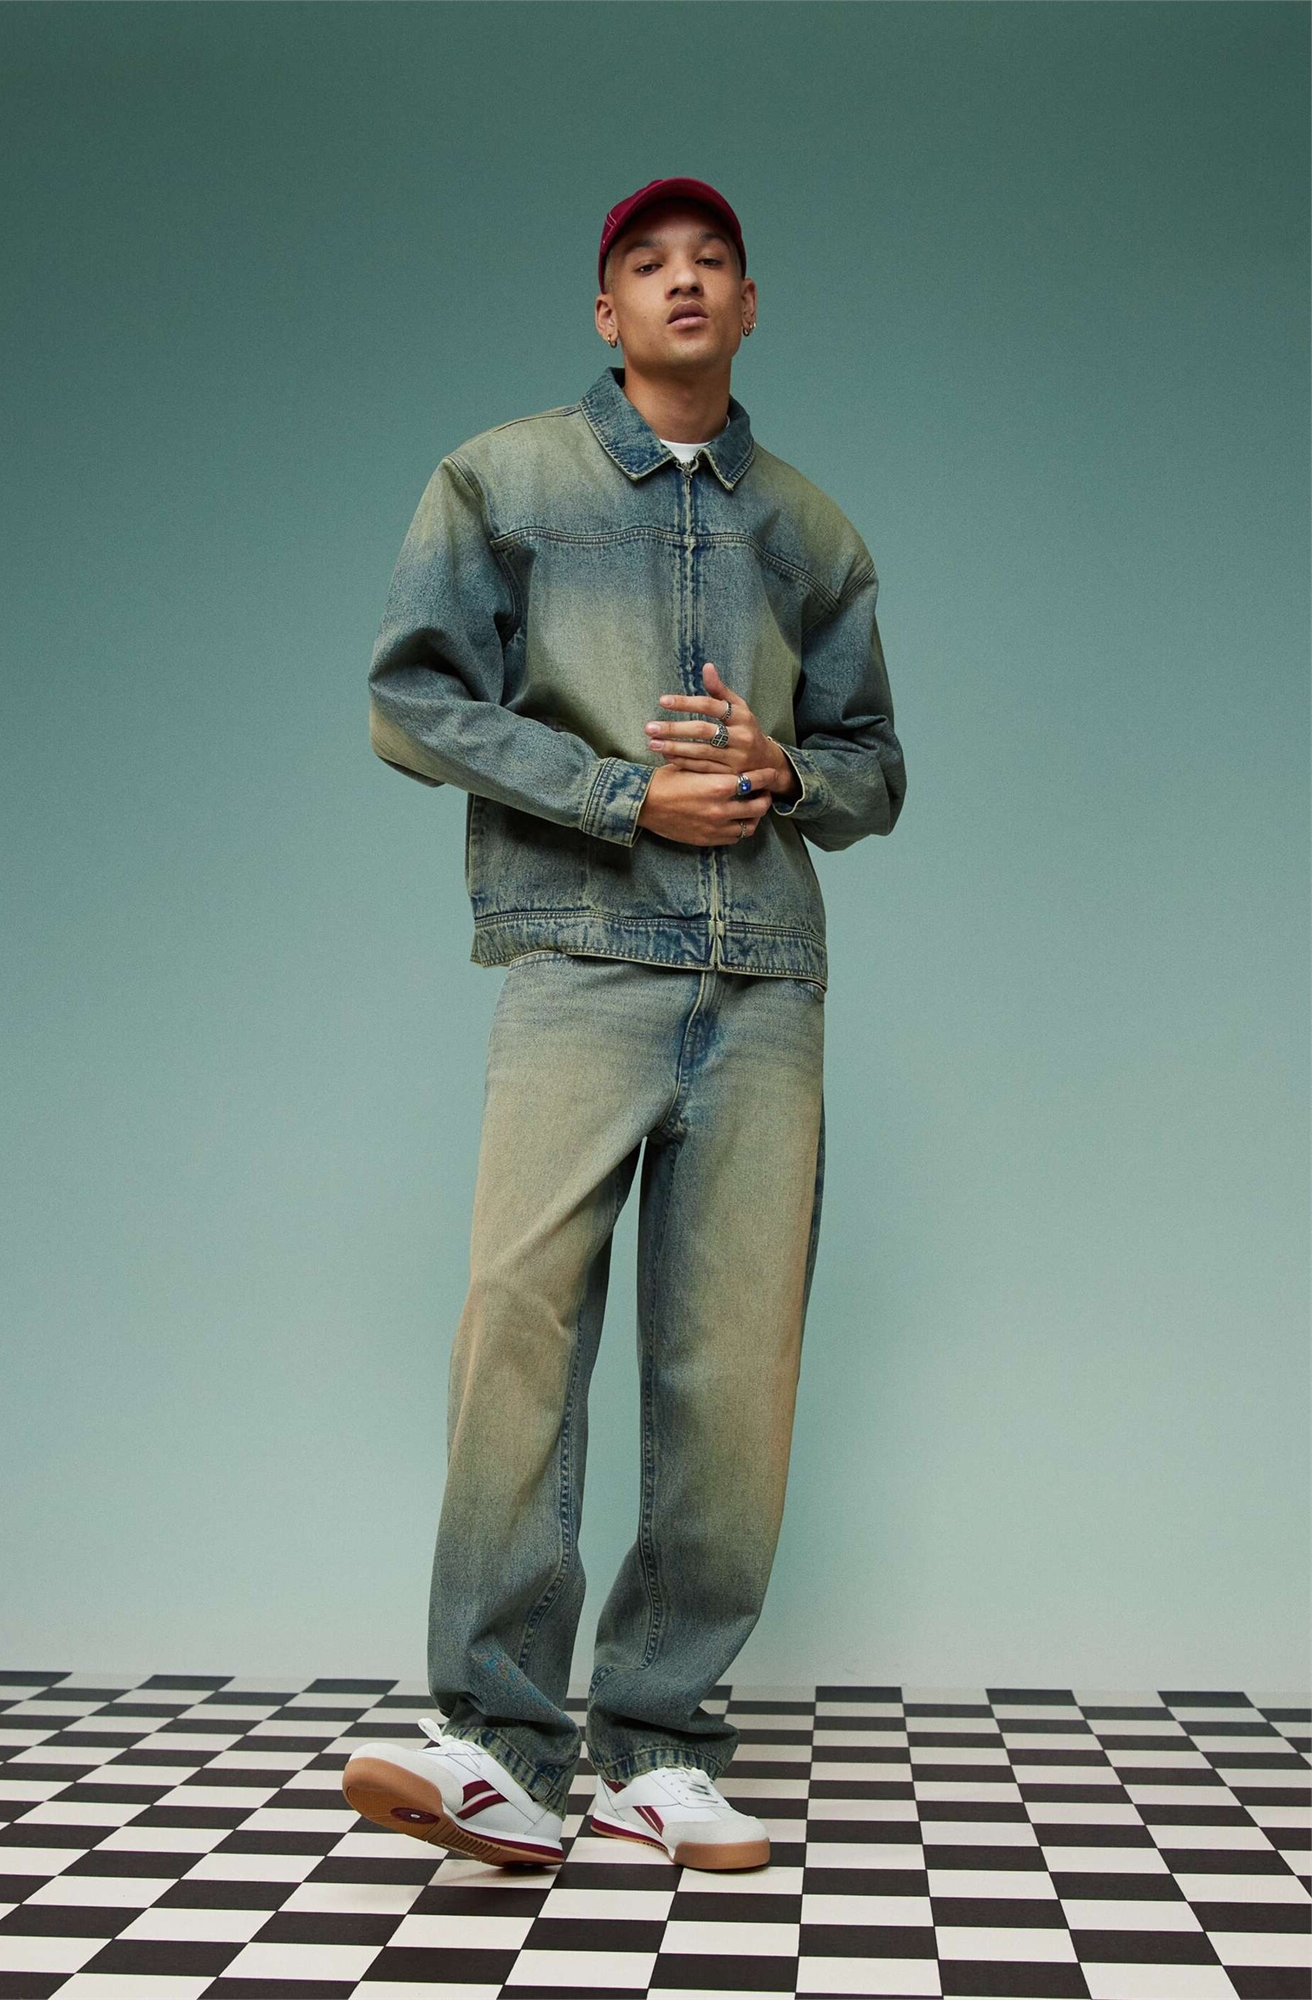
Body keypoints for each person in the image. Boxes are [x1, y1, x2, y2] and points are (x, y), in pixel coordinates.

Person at [342, 176, 906, 1873]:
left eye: (711, 262)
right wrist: (617, 792)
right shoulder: (501, 480)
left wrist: (784, 769)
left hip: (766, 981)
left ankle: (662, 1746)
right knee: (520, 1328)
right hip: (582, 957)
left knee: (732, 1369)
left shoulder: (808, 528)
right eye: (647, 265)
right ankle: (496, 1741)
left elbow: (875, 769)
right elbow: (409, 700)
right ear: (606, 313)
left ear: (749, 306)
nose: (682, 283)